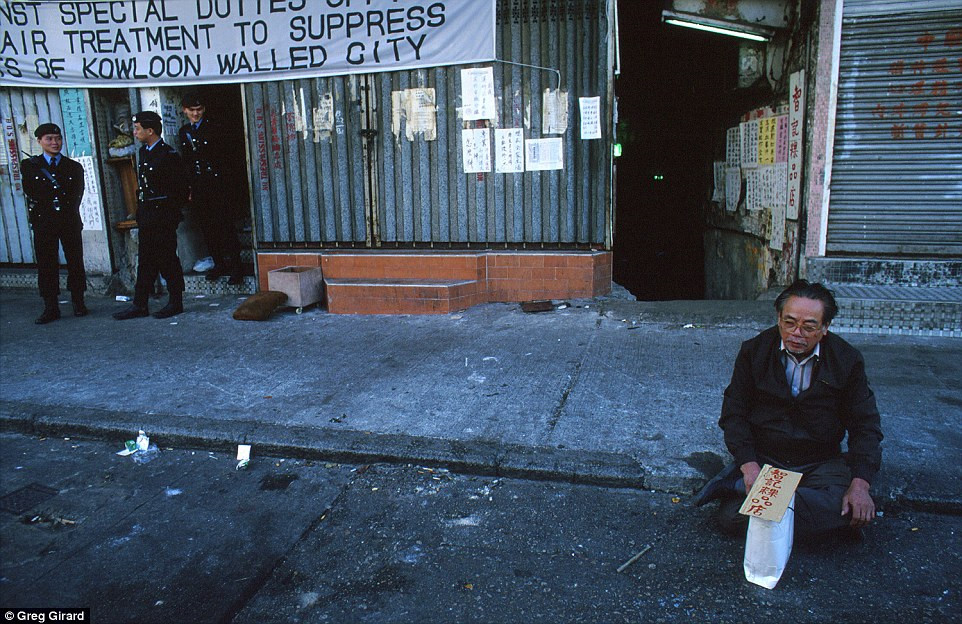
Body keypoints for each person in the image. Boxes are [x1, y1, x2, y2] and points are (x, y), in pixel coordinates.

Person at [694, 279, 883, 540]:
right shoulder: (754, 351)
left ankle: (747, 494)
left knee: (851, 511)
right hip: (768, 458)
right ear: (778, 318)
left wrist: (861, 484)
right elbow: (733, 413)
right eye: (790, 322)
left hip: (820, 461)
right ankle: (790, 509)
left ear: (825, 327)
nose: (797, 333)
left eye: (809, 327)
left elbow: (866, 425)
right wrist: (749, 467)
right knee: (729, 519)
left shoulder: (846, 360)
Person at [113, 111, 188, 321]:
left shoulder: (168, 155)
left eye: (137, 129)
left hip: (163, 218)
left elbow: (180, 190)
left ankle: (176, 302)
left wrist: (168, 214)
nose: (134, 132)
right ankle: (140, 304)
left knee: (167, 260)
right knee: (145, 261)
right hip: (147, 216)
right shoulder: (145, 152)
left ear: (150, 130)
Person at [21, 123, 87, 324]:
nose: (54, 143)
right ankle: (51, 306)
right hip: (44, 221)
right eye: (49, 139)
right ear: (39, 141)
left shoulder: (74, 167)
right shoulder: (29, 166)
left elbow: (77, 194)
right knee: (46, 263)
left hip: (68, 220)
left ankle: (78, 301)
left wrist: (66, 211)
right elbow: (31, 192)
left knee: (75, 261)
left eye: (57, 138)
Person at [178, 91, 243, 285]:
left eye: (199, 110)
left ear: (204, 109)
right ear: (185, 111)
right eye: (192, 110)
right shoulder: (184, 133)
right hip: (199, 187)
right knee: (208, 228)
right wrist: (188, 188)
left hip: (218, 185)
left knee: (226, 227)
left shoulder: (215, 127)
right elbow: (187, 162)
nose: (196, 114)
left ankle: (236, 267)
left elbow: (227, 158)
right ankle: (219, 264)